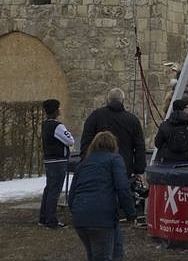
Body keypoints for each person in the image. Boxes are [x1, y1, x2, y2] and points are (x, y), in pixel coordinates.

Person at [81, 87, 146, 257]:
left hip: (97, 169)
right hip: (123, 167)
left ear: (107, 100)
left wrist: (85, 163)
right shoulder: (131, 120)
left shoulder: (96, 116)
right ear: (122, 101)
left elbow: (86, 140)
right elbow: (139, 146)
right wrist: (139, 169)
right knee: (116, 200)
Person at [69, 131, 136, 261]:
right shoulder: (115, 160)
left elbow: (72, 195)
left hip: (81, 216)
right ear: (113, 146)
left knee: (108, 251)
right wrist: (131, 214)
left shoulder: (83, 164)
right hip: (102, 217)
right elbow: (122, 188)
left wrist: (78, 212)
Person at [38, 98, 75, 229]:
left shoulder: (45, 125)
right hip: (58, 161)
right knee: (55, 191)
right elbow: (70, 141)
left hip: (49, 160)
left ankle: (43, 217)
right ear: (55, 111)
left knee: (48, 189)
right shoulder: (57, 126)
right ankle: (51, 220)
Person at [154, 98, 188, 163]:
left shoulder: (165, 125)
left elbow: (157, 143)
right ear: (185, 109)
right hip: (186, 161)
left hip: (167, 161)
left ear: (173, 109)